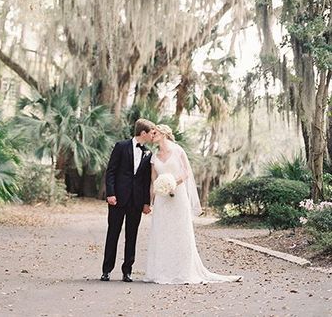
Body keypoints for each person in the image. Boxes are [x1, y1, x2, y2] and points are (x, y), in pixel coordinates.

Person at [145, 124, 243, 284]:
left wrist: (173, 183)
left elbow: (186, 172)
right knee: (162, 232)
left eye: (155, 132)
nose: (152, 135)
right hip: (163, 199)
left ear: (163, 133)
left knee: (180, 232)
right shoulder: (154, 157)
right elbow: (153, 180)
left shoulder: (178, 150)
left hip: (178, 196)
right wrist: (151, 201)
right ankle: (162, 271)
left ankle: (183, 271)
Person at [100, 118, 155, 282]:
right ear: (143, 133)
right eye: (151, 133)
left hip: (136, 202)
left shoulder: (148, 153)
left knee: (132, 236)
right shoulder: (121, 146)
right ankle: (106, 270)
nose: (153, 136)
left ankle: (127, 271)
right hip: (117, 199)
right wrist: (110, 193)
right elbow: (111, 171)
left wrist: (146, 202)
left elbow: (146, 181)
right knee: (113, 234)